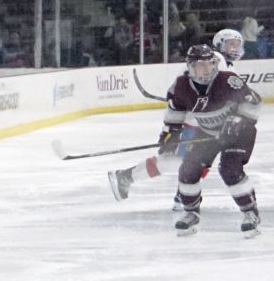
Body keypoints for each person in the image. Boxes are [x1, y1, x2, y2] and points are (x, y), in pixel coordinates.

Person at [106, 40, 261, 217]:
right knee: (180, 160)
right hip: (196, 120)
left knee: (193, 162)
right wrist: (171, 132)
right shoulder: (214, 59)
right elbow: (191, 92)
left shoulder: (213, 61)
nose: (234, 48)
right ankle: (127, 177)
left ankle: (177, 194)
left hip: (202, 118)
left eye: (236, 44)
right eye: (230, 44)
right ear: (220, 44)